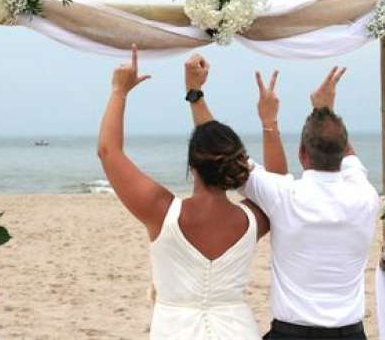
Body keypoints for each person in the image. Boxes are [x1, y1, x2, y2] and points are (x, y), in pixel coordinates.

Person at [188, 59, 378, 339]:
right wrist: (324, 109)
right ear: (344, 155)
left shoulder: (286, 196)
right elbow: (343, 149)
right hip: (350, 334)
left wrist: (195, 93)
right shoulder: (366, 195)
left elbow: (218, 150)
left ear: (301, 154)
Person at [97, 45, 269, 340]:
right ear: (237, 162)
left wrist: (119, 91)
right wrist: (269, 123)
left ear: (192, 165)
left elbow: (109, 152)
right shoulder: (256, 217)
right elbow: (272, 180)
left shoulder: (162, 212)